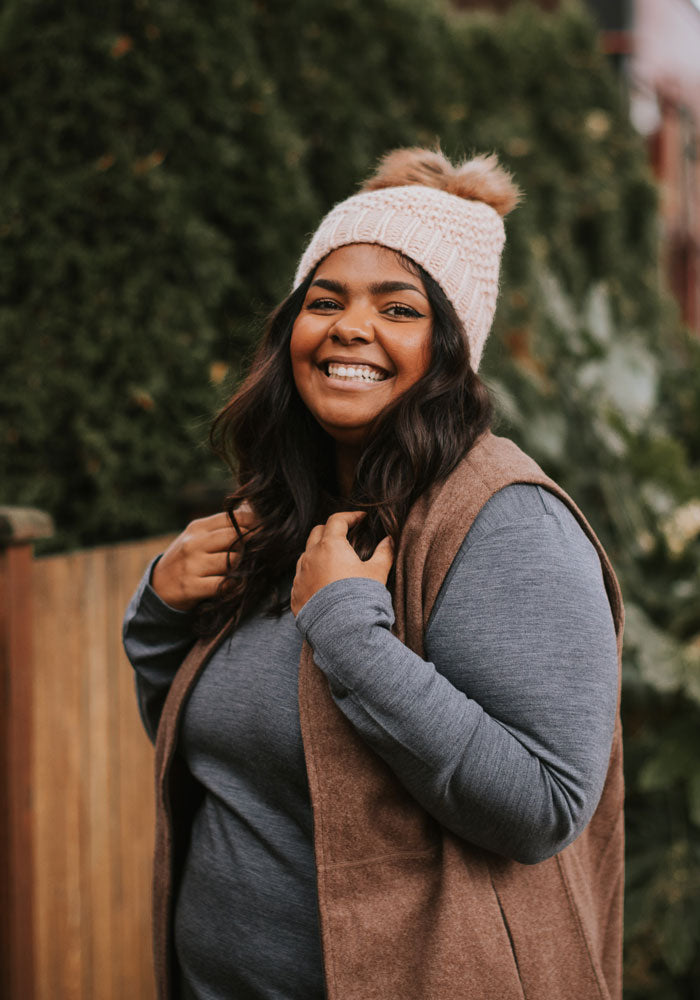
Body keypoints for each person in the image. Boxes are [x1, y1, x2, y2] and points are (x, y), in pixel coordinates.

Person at [123, 147, 624, 1000]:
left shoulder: (506, 523)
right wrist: (161, 616)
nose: (350, 327)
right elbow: (220, 748)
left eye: (399, 307)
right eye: (326, 301)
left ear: (451, 345)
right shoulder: (284, 513)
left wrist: (352, 635)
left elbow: (542, 806)